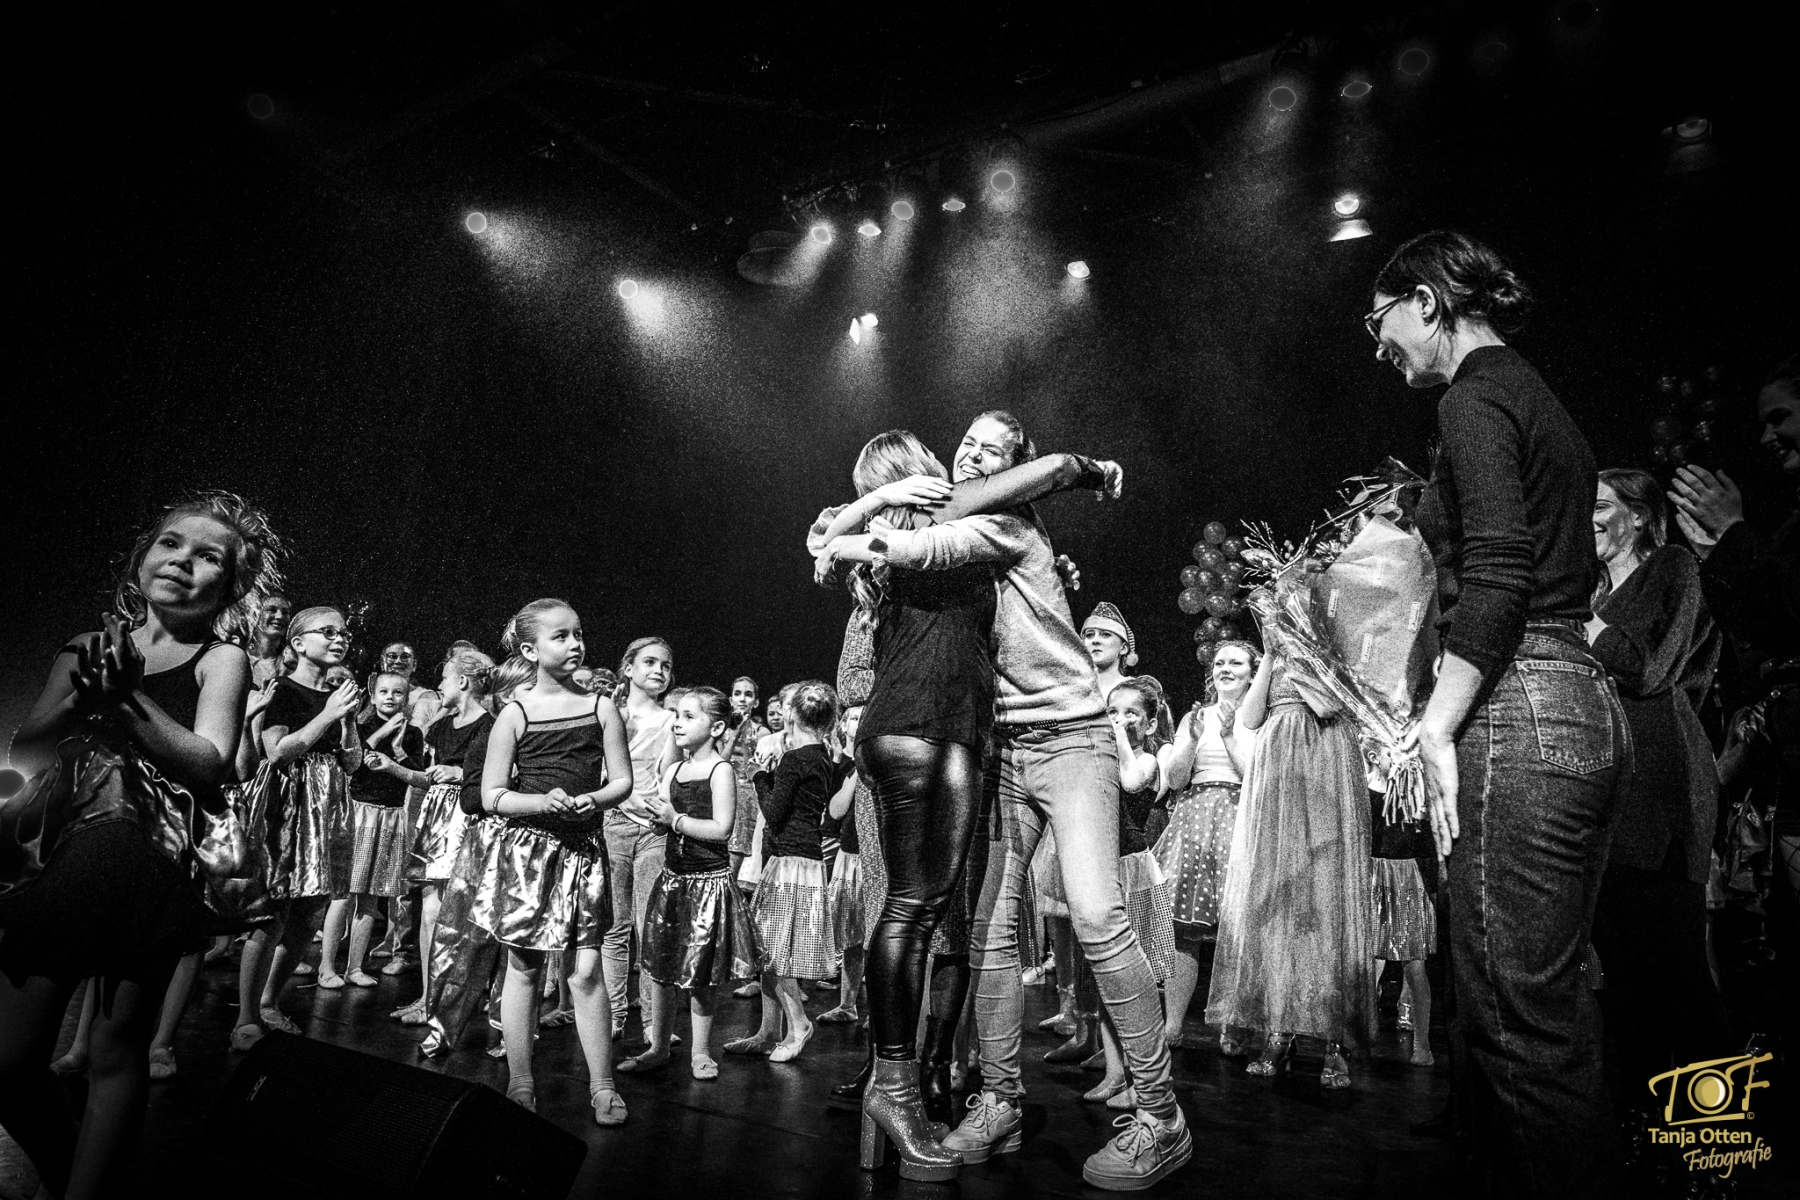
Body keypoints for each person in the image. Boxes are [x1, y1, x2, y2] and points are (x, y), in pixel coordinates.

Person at [820, 412, 1184, 1190]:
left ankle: (1160, 1115)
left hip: (1072, 738)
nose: (976, 455)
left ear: (1015, 468)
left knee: (1096, 914)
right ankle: (999, 1101)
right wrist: (856, 521)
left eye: (996, 450)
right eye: (969, 444)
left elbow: (920, 545)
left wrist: (844, 540)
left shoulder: (1006, 524)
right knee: (988, 932)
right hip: (998, 748)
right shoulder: (961, 527)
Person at [1368, 230, 1627, 1195]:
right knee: (1551, 1012)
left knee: (1520, 1028)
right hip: (1580, 702)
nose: (1379, 345)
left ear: (1427, 301)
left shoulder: (1473, 398)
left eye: (1380, 320)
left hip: (1522, 704)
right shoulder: (1537, 396)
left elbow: (1502, 573)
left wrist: (1434, 726)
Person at [1, 491, 279, 1200]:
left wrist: (127, 697)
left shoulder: (221, 659)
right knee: (10, 1060)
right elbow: (27, 748)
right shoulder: (86, 647)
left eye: (208, 557)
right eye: (171, 544)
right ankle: (67, 1168)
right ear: (140, 558)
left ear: (231, 588)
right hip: (59, 857)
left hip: (149, 862)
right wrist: (83, 695)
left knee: (116, 1048)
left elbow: (209, 762)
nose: (183, 562)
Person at [1585, 469, 1733, 1140]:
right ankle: (1646, 1133)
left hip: (1662, 789)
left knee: (1679, 979)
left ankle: (1718, 1144)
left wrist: (1581, 620)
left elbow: (1647, 668)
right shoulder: (1593, 588)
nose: (1586, 518)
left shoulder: (1672, 567)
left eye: (1600, 505)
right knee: (1625, 979)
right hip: (1608, 793)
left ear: (1639, 515)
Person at [477, 598, 633, 1122]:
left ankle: (603, 1085)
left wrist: (596, 799)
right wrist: (540, 802)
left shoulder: (600, 707)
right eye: (561, 636)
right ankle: (521, 1080)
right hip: (530, 855)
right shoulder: (515, 713)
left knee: (586, 971)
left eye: (578, 633)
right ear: (530, 650)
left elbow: (622, 780)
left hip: (583, 853)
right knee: (524, 967)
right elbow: (492, 794)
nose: (575, 644)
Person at [1205, 615, 1374, 1088]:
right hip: (1277, 765)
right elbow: (1250, 717)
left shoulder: (1335, 643)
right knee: (1276, 900)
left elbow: (1330, 704)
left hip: (1324, 757)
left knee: (1326, 897)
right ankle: (1279, 1030)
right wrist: (1273, 651)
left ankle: (1336, 1040)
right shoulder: (1276, 654)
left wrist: (1306, 644)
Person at [617, 688, 756, 1080]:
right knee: (660, 967)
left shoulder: (720, 771)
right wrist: (655, 818)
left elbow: (721, 828)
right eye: (676, 715)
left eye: (689, 716)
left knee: (701, 973)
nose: (677, 723)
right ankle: (658, 1047)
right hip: (673, 882)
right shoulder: (674, 771)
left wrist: (674, 819)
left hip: (707, 885)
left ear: (717, 728)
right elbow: (664, 819)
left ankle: (700, 1051)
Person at [250, 606, 366, 1034]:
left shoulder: (339, 696)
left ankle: (268, 1000)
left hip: (330, 805)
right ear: (298, 643)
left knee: (311, 911)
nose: (340, 639)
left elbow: (352, 762)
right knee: (274, 910)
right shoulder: (282, 689)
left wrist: (347, 720)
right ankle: (247, 1013)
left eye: (344, 634)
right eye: (328, 632)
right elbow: (277, 752)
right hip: (291, 803)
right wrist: (329, 714)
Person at [418, 655, 534, 1058]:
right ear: (507, 695)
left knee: (517, 944)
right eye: (530, 689)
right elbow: (470, 798)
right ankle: (441, 1025)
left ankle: (508, 1029)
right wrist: (508, 789)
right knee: (462, 938)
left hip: (529, 846)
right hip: (487, 843)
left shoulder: (544, 738)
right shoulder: (491, 734)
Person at [729, 681, 842, 1064]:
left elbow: (775, 814)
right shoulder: (822, 756)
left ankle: (798, 1024)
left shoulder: (795, 759)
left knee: (773, 950)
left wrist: (761, 775)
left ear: (792, 714)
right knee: (770, 950)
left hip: (790, 862)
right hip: (800, 860)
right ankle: (767, 1031)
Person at [1156, 639, 1259, 1049]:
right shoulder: (1195, 716)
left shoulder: (1262, 718)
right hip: (1194, 819)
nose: (1225, 669)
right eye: (1219, 663)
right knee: (1185, 930)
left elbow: (1254, 777)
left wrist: (1230, 736)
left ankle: (1234, 1023)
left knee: (1239, 929)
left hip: (1239, 817)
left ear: (1253, 673)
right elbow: (1176, 779)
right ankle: (1173, 1025)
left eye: (1236, 663)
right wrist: (1191, 739)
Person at [1089, 679, 1178, 1111]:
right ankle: (1113, 1072)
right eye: (1113, 712)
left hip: (1134, 872)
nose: (1120, 720)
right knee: (1105, 980)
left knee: (1137, 979)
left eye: (1131, 714)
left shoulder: (1149, 758)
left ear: (1150, 723)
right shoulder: (1099, 756)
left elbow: (1129, 782)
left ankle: (1145, 1079)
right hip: (1103, 865)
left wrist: (1120, 739)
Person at [395, 645, 495, 1026]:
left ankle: (449, 999)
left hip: (463, 817)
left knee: (455, 913)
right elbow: (428, 774)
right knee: (429, 909)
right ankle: (427, 996)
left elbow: (499, 774)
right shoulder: (441, 725)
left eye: (445, 677)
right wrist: (393, 766)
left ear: (463, 681)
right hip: (436, 816)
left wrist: (461, 774)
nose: (439, 684)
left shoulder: (489, 726)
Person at [318, 671, 428, 989]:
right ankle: (326, 967)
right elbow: (352, 763)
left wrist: (399, 752)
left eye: (397, 692)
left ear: (406, 698)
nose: (390, 697)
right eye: (384, 691)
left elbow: (420, 776)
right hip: (360, 813)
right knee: (343, 895)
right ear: (374, 695)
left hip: (390, 816)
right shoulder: (360, 726)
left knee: (369, 899)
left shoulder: (413, 734)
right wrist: (381, 734)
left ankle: (354, 967)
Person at [605, 637, 676, 1040]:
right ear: (629, 668)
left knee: (650, 926)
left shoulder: (671, 721)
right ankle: (614, 1015)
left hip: (652, 828)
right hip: (613, 821)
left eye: (665, 665)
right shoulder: (610, 713)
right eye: (649, 662)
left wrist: (662, 812)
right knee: (614, 925)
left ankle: (652, 1022)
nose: (658, 671)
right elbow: (601, 769)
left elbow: (669, 775)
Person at [247, 590, 292, 687]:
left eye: (285, 612)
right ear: (255, 615)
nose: (280, 616)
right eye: (271, 610)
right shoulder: (241, 657)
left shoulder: (292, 664)